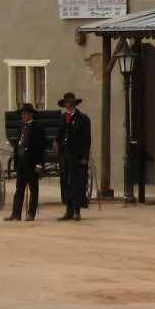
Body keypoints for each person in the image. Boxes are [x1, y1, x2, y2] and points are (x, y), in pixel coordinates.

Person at [4, 102, 46, 222]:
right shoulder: (21, 127)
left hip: (32, 163)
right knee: (19, 189)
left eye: (26, 113)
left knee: (33, 189)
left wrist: (39, 164)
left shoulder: (37, 128)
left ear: (31, 114)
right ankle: (16, 213)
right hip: (22, 163)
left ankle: (31, 214)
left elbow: (40, 148)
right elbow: (18, 145)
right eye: (22, 114)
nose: (24, 116)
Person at [55, 91, 92, 221]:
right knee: (66, 182)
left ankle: (77, 210)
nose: (69, 105)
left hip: (77, 156)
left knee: (77, 183)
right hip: (65, 155)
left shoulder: (83, 119)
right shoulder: (63, 118)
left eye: (71, 103)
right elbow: (59, 135)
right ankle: (68, 210)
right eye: (67, 103)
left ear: (74, 104)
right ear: (64, 104)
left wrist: (85, 157)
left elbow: (87, 140)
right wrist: (56, 143)